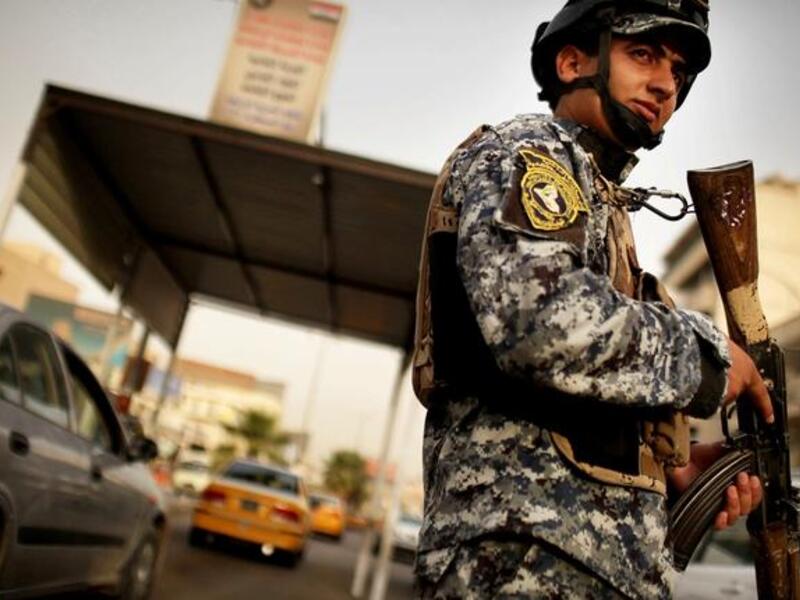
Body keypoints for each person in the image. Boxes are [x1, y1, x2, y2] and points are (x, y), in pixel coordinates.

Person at [411, 1, 774, 598]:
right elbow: (542, 324)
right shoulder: (532, 154)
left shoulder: (600, 202)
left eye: (678, 72)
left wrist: (670, 468)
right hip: (522, 560)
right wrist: (708, 357)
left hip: (583, 567)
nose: (665, 84)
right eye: (643, 54)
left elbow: (577, 389)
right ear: (572, 62)